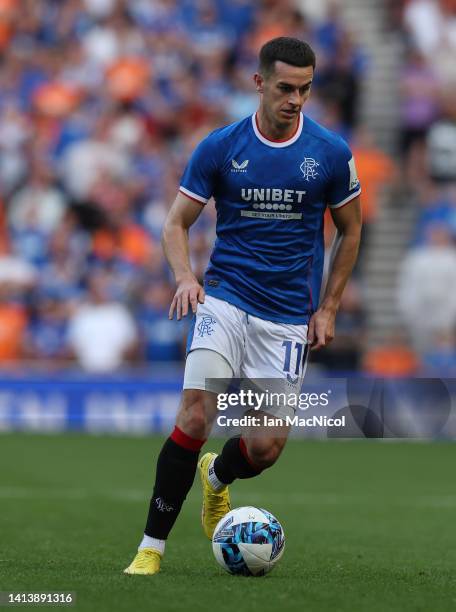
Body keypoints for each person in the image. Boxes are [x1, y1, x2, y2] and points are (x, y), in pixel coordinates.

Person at [124, 36, 362, 576]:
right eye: (285, 88)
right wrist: (186, 277)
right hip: (225, 299)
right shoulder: (220, 146)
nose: (296, 99)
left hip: (285, 317)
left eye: (304, 88)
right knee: (195, 414)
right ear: (259, 83)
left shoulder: (329, 153)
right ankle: (150, 548)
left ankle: (217, 478)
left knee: (266, 446)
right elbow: (174, 224)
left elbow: (351, 232)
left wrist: (327, 308)